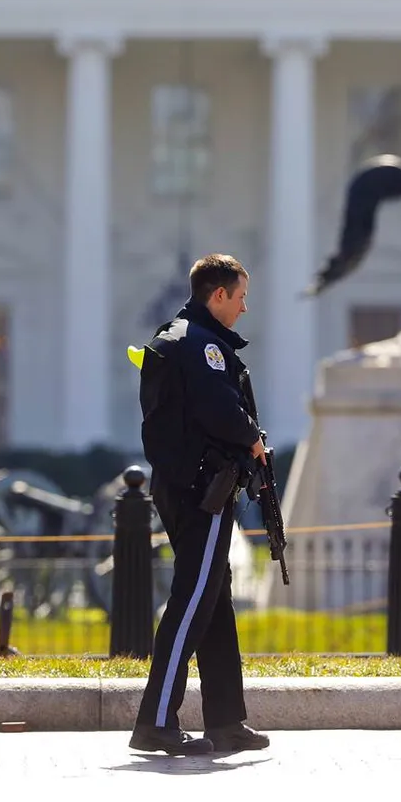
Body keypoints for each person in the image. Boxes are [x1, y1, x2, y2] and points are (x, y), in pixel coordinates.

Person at [129, 253, 271, 756]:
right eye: (240, 297)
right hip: (203, 491)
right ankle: (156, 721)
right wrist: (254, 439)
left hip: (181, 485)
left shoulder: (172, 336)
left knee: (213, 601)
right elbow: (220, 412)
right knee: (193, 601)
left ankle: (225, 720)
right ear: (218, 295)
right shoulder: (204, 346)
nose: (244, 308)